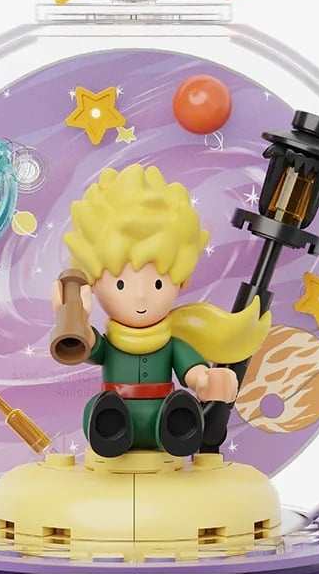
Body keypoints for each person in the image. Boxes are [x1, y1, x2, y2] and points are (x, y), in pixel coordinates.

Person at [52, 164, 269, 457]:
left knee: (181, 410)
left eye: (157, 284)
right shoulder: (111, 343)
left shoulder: (170, 344)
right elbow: (90, 346)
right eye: (121, 285)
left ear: (180, 278)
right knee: (100, 410)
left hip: (163, 417)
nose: (141, 296)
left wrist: (205, 381)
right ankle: (111, 430)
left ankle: (176, 429)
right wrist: (73, 318)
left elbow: (193, 373)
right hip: (116, 413)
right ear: (93, 284)